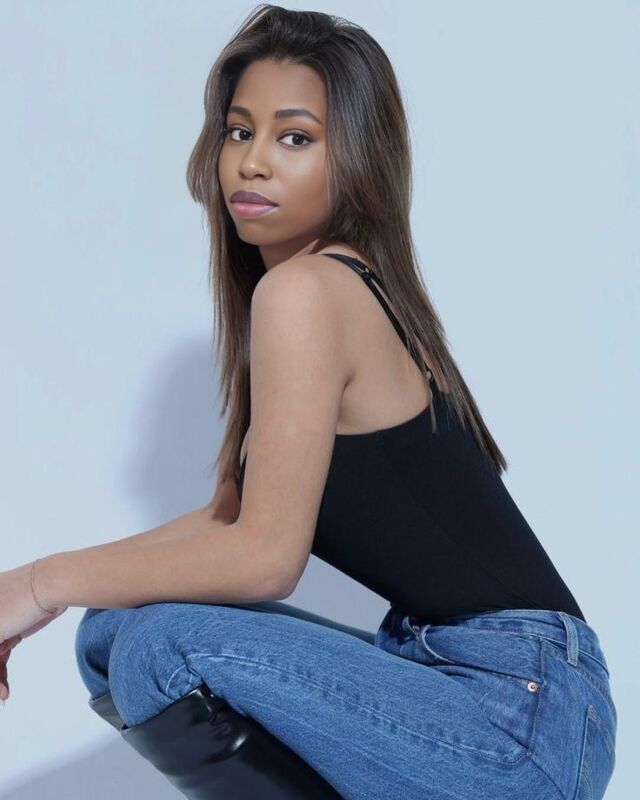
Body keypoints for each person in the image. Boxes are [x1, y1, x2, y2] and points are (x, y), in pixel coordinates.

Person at [0, 5, 617, 799]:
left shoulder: (309, 291)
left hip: (518, 717)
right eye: (238, 131)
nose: (252, 162)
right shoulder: (319, 287)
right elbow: (228, 522)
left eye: (294, 138)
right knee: (111, 630)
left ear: (356, 156)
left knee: (161, 645)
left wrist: (39, 582)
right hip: (453, 677)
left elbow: (265, 558)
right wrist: (41, 592)